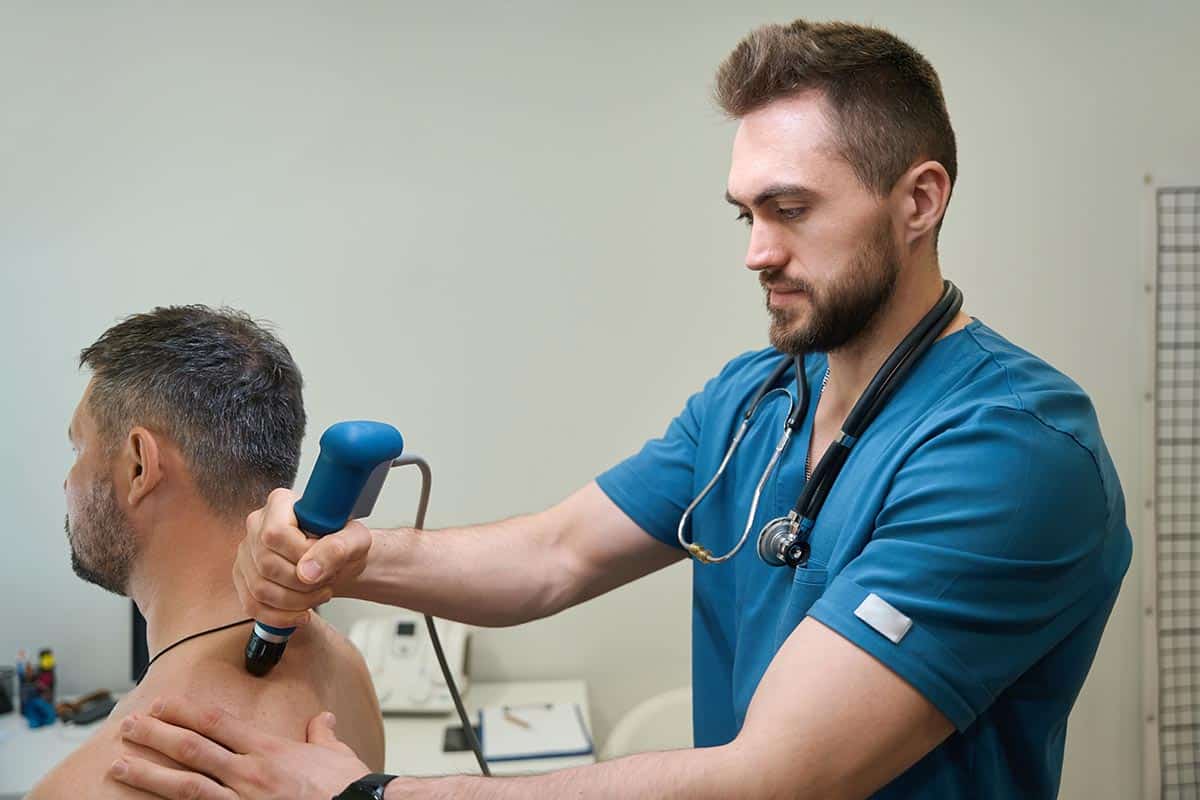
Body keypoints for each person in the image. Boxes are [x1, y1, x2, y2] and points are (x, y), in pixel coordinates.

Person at [108, 19, 1132, 800]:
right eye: (745, 212)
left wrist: (370, 795)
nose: (755, 251)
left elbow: (778, 775)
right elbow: (552, 554)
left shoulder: (1014, 451)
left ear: (918, 200)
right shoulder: (754, 398)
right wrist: (346, 558)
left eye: (791, 209)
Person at [33, 306, 385, 798]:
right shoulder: (346, 669)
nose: (67, 481)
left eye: (78, 450)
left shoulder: (89, 785)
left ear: (139, 465)